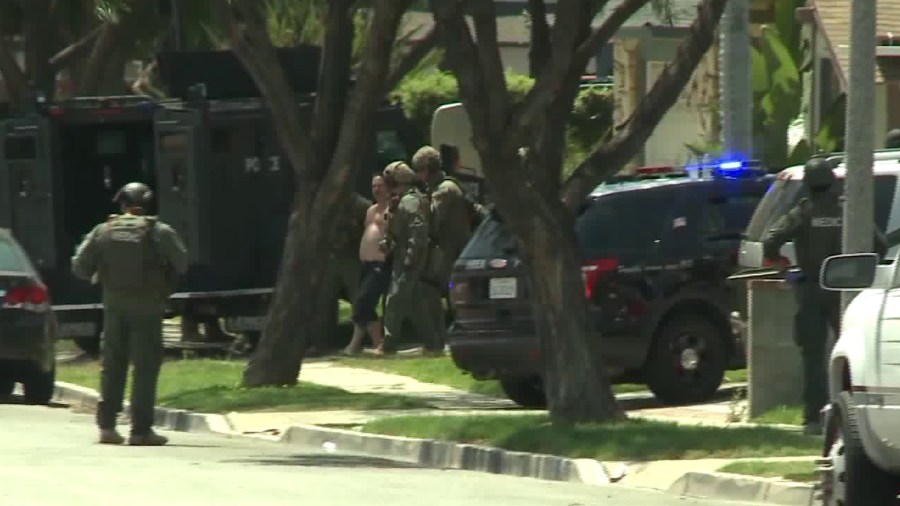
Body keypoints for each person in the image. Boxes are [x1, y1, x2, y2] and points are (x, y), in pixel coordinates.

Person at [762, 157, 886, 436]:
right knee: (853, 355)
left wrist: (779, 261)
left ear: (807, 184)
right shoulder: (848, 211)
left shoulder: (802, 212)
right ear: (832, 180)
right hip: (846, 293)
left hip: (811, 290)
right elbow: (880, 244)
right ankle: (853, 416)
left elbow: (771, 241)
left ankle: (813, 420)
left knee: (813, 356)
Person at [71, 182, 188, 446]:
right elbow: (181, 262)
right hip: (148, 308)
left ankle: (107, 427)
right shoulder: (159, 231)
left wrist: (103, 273)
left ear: (122, 204)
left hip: (113, 307)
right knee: (145, 369)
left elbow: (79, 266)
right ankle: (141, 430)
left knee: (112, 367)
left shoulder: (104, 230)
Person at [411, 145, 485, 353]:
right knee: (441, 290)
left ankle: (446, 340)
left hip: (453, 254)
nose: (418, 175)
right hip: (449, 254)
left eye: (419, 170)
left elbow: (432, 221)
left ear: (427, 169)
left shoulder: (445, 190)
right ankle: (445, 339)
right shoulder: (443, 187)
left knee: (443, 290)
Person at [379, 161, 439, 355]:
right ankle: (433, 344)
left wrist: (411, 258)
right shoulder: (401, 200)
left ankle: (388, 345)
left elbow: (418, 232)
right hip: (403, 256)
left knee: (395, 299)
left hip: (409, 258)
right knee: (415, 303)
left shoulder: (411, 201)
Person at [308, 191, 372, 355]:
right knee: (324, 301)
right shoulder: (327, 202)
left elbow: (369, 230)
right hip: (331, 257)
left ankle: (364, 341)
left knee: (359, 300)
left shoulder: (361, 205)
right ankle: (320, 343)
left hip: (352, 257)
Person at [344, 173, 391, 355]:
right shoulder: (370, 211)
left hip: (380, 264)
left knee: (363, 301)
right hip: (365, 264)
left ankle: (356, 344)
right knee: (364, 303)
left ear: (388, 187)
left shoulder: (392, 209)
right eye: (374, 186)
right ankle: (377, 343)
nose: (377, 189)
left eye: (380, 185)